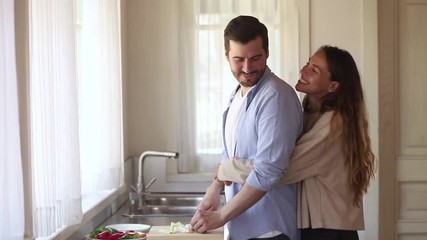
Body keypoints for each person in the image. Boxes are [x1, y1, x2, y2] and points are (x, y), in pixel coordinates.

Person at [217, 45, 377, 240]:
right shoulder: (311, 116)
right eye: (308, 63)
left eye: (314, 70)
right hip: (320, 227)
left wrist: (225, 169)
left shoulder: (333, 126)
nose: (304, 70)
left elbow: (278, 170)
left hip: (328, 232)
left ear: (333, 86)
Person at [190, 15, 303, 240]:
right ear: (226, 56)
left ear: (268, 52)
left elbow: (268, 171)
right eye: (239, 59)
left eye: (255, 58)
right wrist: (215, 187)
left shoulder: (275, 97)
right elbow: (231, 156)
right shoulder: (238, 96)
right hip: (245, 228)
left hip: (270, 231)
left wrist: (221, 216)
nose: (247, 68)